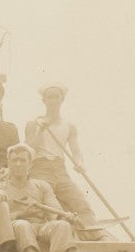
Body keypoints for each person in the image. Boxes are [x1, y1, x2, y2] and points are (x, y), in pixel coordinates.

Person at [24, 83, 106, 239]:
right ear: (44, 101)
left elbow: (76, 151)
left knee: (80, 203)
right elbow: (29, 150)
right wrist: (41, 129)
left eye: (56, 97)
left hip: (60, 170)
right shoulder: (33, 123)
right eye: (49, 97)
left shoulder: (69, 126)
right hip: (39, 169)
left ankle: (94, 236)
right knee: (42, 206)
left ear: (62, 99)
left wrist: (80, 163)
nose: (53, 100)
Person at [0, 143, 79, 252]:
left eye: (22, 160)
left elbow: (55, 213)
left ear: (30, 164)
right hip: (16, 229)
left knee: (63, 226)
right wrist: (23, 213)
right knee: (23, 225)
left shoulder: (42, 186)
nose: (18, 164)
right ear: (8, 163)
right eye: (14, 160)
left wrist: (67, 217)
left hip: (41, 228)